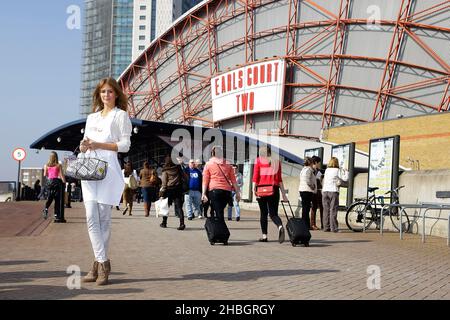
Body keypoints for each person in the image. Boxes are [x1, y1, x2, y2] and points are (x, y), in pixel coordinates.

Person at [79, 77, 132, 285]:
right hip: (88, 168)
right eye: (103, 92)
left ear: (116, 94)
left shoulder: (121, 116)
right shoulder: (91, 117)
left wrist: (100, 144)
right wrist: (84, 145)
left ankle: (96, 265)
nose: (106, 95)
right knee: (91, 217)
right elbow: (85, 142)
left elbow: (125, 145)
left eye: (110, 92)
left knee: (103, 219)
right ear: (99, 95)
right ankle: (103, 262)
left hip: (108, 169)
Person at [253, 145, 287, 243]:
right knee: (273, 214)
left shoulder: (258, 161)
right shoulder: (276, 162)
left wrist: (253, 189)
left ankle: (264, 236)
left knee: (263, 213)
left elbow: (255, 177)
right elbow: (279, 179)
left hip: (261, 189)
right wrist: (284, 194)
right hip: (274, 189)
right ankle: (280, 226)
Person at [202, 146, 240, 223]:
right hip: (226, 191)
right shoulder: (228, 164)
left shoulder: (208, 164)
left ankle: (220, 230)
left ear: (212, 153)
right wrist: (237, 192)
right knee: (220, 210)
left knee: (219, 212)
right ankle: (219, 227)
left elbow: (205, 180)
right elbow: (233, 180)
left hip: (214, 190)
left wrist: (203, 193)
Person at [322, 157, 349, 233]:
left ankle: (326, 227)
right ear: (336, 163)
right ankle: (334, 228)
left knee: (326, 210)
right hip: (333, 191)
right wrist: (346, 171)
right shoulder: (337, 170)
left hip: (325, 191)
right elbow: (345, 179)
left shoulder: (327, 170)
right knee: (333, 210)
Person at [159, 155, 186, 230]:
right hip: (177, 189)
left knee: (166, 207)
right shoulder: (178, 168)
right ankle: (182, 223)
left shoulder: (165, 170)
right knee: (179, 207)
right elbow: (183, 177)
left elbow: (164, 182)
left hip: (168, 190)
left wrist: (162, 192)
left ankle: (164, 223)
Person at [43, 152, 66, 222]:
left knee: (50, 197)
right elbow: (61, 175)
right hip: (56, 182)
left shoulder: (46, 165)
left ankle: (46, 208)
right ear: (56, 157)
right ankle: (56, 214)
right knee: (57, 199)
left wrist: (49, 175)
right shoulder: (58, 165)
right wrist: (64, 182)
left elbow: (45, 174)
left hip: (49, 183)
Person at [299, 157, 317, 230]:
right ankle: (306, 225)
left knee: (304, 209)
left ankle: (304, 224)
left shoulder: (303, 169)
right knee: (306, 209)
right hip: (307, 191)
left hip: (302, 190)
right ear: (310, 163)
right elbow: (307, 179)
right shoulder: (309, 169)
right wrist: (312, 186)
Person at [310, 156, 323, 230]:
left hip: (317, 191)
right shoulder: (313, 170)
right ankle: (313, 224)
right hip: (315, 191)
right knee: (315, 207)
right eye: (319, 163)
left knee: (319, 208)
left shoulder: (317, 170)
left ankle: (321, 224)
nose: (319, 164)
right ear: (316, 162)